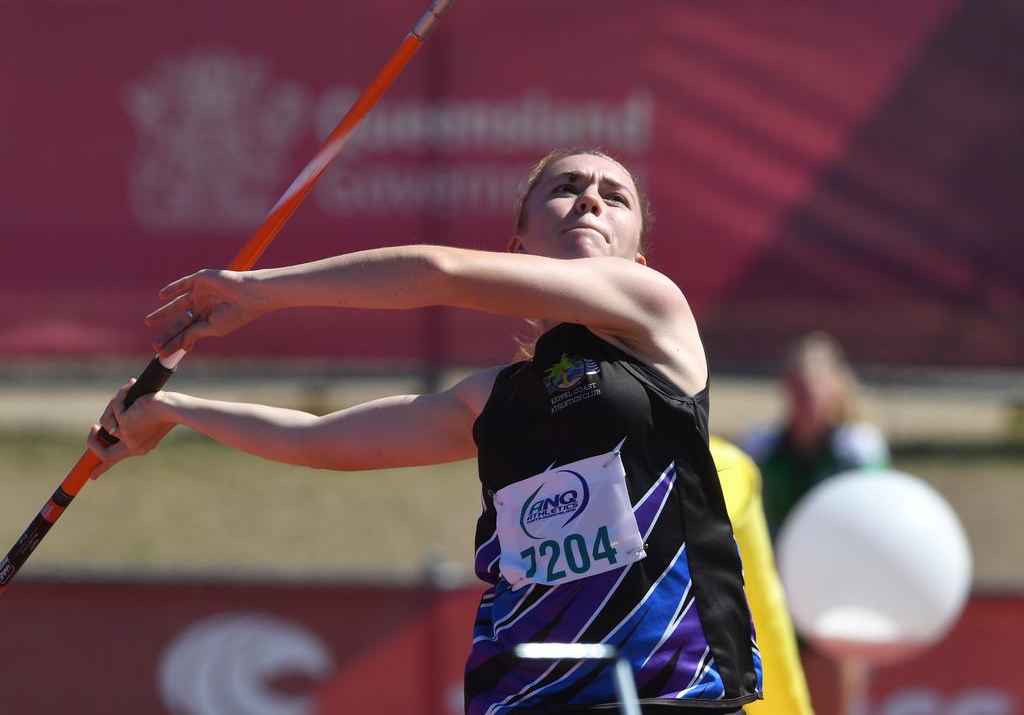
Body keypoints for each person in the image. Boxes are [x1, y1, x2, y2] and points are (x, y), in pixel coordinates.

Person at [90, 148, 763, 714]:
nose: (591, 200)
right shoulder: (490, 400)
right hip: (523, 696)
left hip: (670, 691)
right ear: (518, 248)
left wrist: (261, 291)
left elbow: (438, 273)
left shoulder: (657, 318)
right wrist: (175, 412)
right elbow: (316, 441)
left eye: (615, 197)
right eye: (565, 188)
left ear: (637, 264)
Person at [742, 332, 890, 538]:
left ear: (835, 390)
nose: (803, 403)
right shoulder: (762, 448)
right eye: (796, 391)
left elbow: (876, 513)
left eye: (810, 394)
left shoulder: (857, 450)